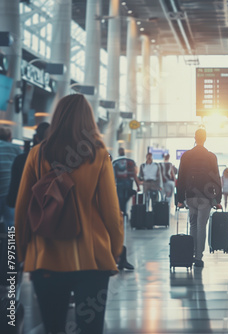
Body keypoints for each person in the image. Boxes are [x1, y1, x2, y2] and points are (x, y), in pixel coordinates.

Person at [15, 94, 123, 334]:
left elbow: (22, 207)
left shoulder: (38, 154)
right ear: (88, 119)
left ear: (58, 117)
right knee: (91, 328)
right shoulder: (97, 155)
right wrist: (115, 249)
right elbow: (111, 209)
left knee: (53, 328)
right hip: (92, 258)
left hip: (45, 256)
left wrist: (21, 251)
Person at [176, 128, 222, 268]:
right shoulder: (211, 157)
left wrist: (179, 198)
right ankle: (198, 257)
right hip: (205, 197)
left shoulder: (186, 156)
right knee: (202, 225)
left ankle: (192, 252)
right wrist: (217, 200)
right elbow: (216, 179)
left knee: (193, 225)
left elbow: (181, 177)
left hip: (191, 196)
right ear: (205, 138)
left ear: (195, 138)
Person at [7, 122, 50, 208]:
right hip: (47, 211)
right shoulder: (58, 160)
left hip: (25, 208)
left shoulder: (21, 159)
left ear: (37, 138)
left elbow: (13, 196)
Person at [0, 126, 22, 232]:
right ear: (9, 137)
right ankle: (10, 247)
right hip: (10, 193)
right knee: (11, 225)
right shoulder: (16, 148)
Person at [113, 147, 141, 216]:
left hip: (119, 183)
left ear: (118, 152)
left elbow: (112, 175)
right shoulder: (130, 161)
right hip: (128, 183)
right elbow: (134, 174)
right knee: (126, 198)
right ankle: (124, 212)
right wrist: (138, 186)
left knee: (120, 199)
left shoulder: (115, 162)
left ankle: (122, 213)